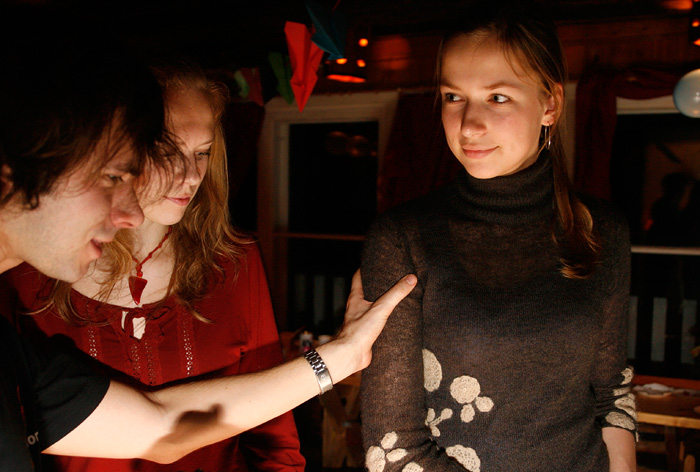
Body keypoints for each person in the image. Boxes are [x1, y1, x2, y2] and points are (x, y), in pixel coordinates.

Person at [0, 24, 416, 472]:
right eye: (112, 175)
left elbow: (163, 429)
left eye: (203, 153)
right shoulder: (21, 292)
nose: (131, 212)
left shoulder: (13, 359)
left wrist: (343, 354)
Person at [359, 1, 636, 471]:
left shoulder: (601, 228)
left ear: (550, 104)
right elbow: (392, 450)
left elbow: (612, 393)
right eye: (453, 96)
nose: (469, 124)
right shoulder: (403, 237)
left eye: (498, 97)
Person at [1, 61, 305, 471]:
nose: (191, 175)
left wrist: (339, 357)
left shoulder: (235, 262)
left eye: (202, 153)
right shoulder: (26, 271)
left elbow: (267, 440)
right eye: (167, 151)